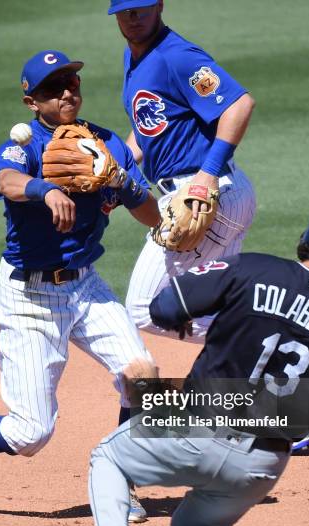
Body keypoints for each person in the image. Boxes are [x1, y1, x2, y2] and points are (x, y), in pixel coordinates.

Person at [52, 203, 309, 526]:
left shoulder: (252, 269)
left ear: (307, 240)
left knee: (108, 457)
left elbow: (162, 309)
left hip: (197, 424)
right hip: (262, 465)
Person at [0, 50, 160, 522]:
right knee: (30, 434)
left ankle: (121, 481)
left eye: (72, 81)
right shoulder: (24, 144)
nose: (68, 91)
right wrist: (45, 189)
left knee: (144, 375)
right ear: (32, 101)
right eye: (54, 87)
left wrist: (127, 184)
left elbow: (149, 214)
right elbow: (7, 181)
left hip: (87, 288)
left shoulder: (105, 141)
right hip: (29, 298)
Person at [107, 0, 257, 342]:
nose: (133, 18)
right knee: (212, 304)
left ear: (159, 5)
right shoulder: (134, 56)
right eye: (125, 11)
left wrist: (207, 175)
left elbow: (239, 105)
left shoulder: (177, 55)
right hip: (207, 195)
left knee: (144, 309)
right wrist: (119, 171)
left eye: (141, 9)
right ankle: (256, 379)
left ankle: (263, 345)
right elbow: (150, 125)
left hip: (205, 194)